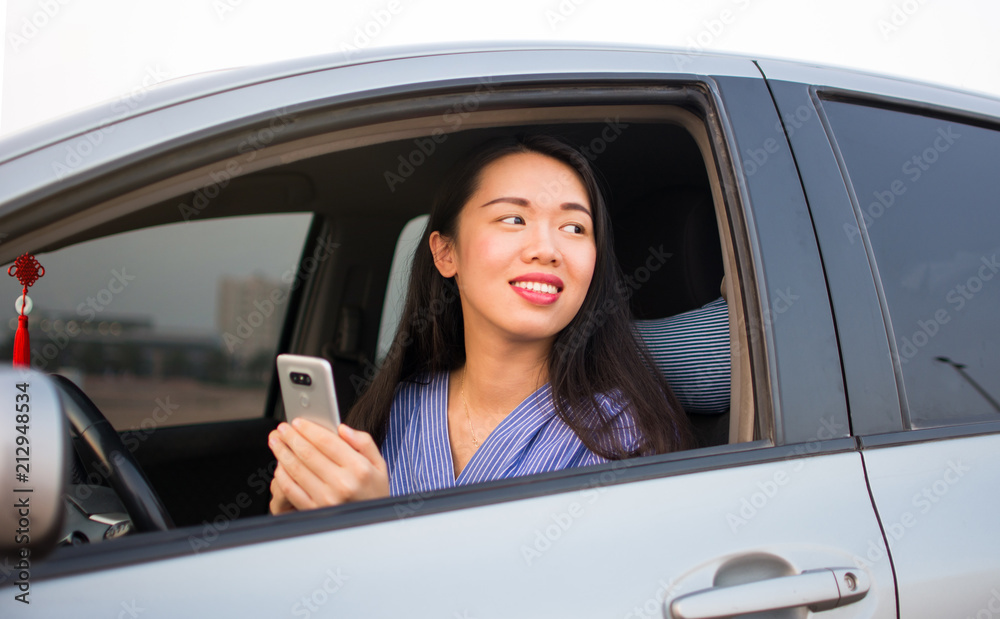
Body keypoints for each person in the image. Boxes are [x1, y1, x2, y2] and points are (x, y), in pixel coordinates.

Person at [268, 135, 694, 514]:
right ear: (445, 253)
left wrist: (374, 527)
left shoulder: (625, 435)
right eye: (513, 219)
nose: (546, 250)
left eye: (573, 227)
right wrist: (298, 531)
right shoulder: (398, 408)